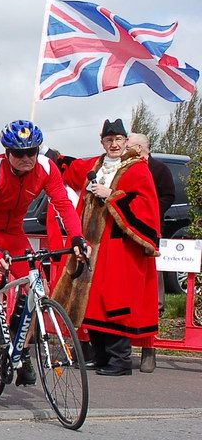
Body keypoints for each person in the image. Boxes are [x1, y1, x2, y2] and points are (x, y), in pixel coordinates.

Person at [0, 119, 88, 386]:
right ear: (7, 152)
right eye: (19, 153)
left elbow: (63, 204)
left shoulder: (45, 167)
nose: (27, 158)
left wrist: (77, 236)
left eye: (32, 151)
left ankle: (22, 351)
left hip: (14, 231)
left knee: (35, 285)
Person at [52, 120, 161, 377]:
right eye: (109, 140)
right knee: (94, 303)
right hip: (92, 247)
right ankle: (101, 357)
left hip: (119, 248)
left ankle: (120, 360)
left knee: (114, 301)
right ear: (102, 142)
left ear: (125, 142)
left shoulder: (137, 169)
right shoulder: (96, 165)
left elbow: (146, 207)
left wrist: (112, 194)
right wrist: (44, 150)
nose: (114, 144)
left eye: (118, 140)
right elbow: (68, 166)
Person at [126, 132, 175, 373]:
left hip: (150, 235)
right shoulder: (124, 168)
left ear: (139, 148)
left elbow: (168, 195)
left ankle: (149, 350)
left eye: (128, 145)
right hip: (125, 237)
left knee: (151, 296)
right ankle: (121, 348)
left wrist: (150, 212)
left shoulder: (159, 169)